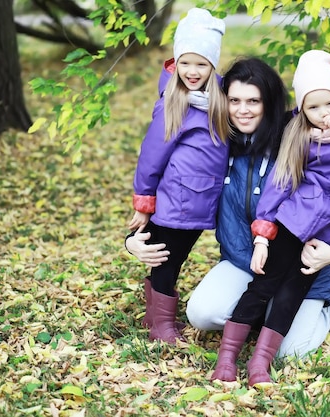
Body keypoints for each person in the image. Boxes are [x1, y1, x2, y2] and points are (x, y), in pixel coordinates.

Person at [126, 57, 330, 356]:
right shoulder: (217, 144)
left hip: (298, 266)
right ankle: (263, 309)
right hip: (242, 261)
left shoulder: (299, 141)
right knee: (202, 314)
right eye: (234, 100)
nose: (242, 110)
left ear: (269, 102)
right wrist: (132, 240)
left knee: (291, 352)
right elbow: (176, 195)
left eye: (253, 101)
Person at [211, 50, 330, 386]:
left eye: (329, 105)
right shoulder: (300, 138)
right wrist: (262, 235)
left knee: (291, 295)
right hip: (292, 226)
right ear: (302, 110)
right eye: (313, 107)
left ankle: (260, 363)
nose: (323, 114)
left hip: (323, 237)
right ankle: (227, 356)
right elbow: (279, 185)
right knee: (263, 287)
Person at [128, 8, 229, 345]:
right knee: (166, 258)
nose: (192, 71)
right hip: (175, 197)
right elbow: (151, 155)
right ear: (175, 62)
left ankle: (153, 314)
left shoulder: (217, 98)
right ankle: (162, 325)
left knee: (176, 255)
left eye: (201, 64)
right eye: (185, 63)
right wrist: (144, 201)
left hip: (201, 200)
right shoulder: (174, 103)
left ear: (213, 65)